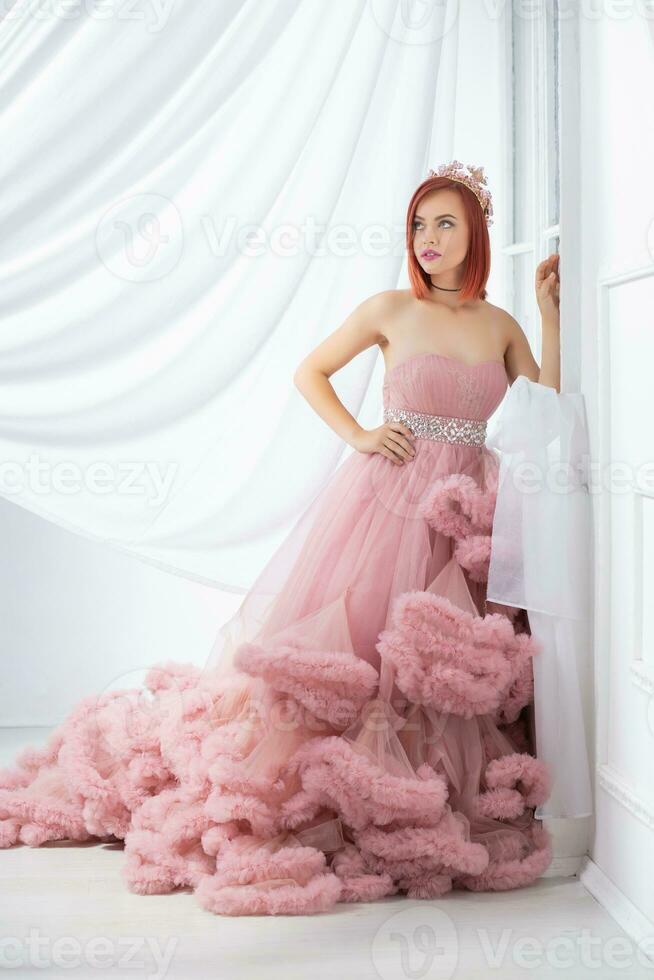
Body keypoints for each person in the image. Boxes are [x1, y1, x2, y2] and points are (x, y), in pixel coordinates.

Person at [0, 161, 562, 917]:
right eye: (420, 225)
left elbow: (542, 408)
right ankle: (346, 787)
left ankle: (426, 787)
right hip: (389, 504)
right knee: (364, 656)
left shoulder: (500, 326)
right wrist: (363, 434)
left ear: (475, 236)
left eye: (446, 224)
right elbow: (311, 372)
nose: (429, 239)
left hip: (464, 516)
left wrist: (549, 316)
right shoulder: (389, 309)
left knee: (448, 668)